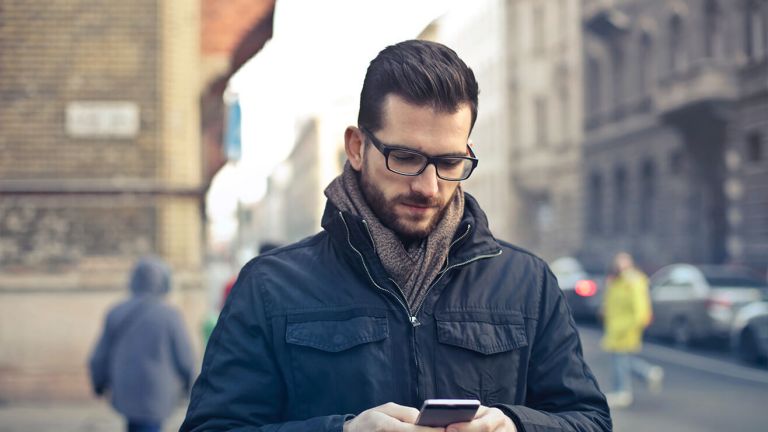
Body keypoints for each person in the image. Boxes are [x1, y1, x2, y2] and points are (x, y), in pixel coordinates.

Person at [181, 40, 610, 432]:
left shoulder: (528, 283)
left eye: (449, 162)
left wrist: (516, 427)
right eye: (404, 157)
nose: (428, 186)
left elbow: (591, 422)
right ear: (356, 147)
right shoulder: (269, 287)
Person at [89, 256, 196, 432]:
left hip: (125, 389)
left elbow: (100, 355)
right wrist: (189, 384)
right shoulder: (170, 315)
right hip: (158, 390)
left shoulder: (116, 312)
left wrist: (98, 382)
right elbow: (185, 357)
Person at [601, 252, 664, 409]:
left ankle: (622, 391)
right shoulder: (616, 281)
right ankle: (649, 373)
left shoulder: (633, 281)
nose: (619, 266)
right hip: (615, 326)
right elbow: (611, 302)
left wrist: (632, 326)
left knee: (619, 359)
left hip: (626, 327)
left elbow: (640, 310)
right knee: (622, 359)